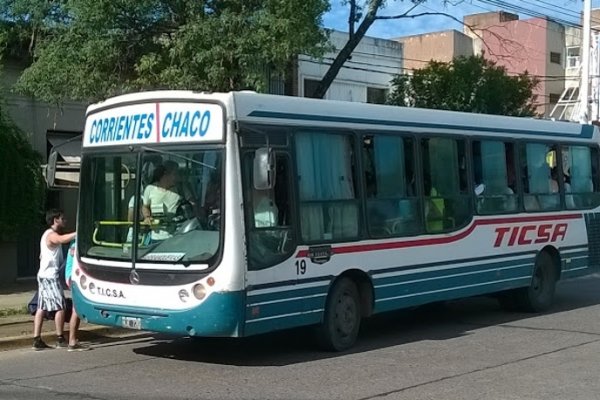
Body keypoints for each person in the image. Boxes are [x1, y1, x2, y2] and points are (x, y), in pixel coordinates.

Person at [32, 209, 76, 350]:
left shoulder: (46, 234)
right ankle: (59, 338)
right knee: (60, 307)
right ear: (56, 220)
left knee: (42, 307)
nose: (65, 220)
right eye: (62, 218)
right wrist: (78, 233)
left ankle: (36, 339)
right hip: (50, 276)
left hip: (43, 275)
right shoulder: (51, 235)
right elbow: (61, 240)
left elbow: (41, 255)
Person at [141, 161, 182, 241]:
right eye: (175, 174)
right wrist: (147, 217)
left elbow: (193, 206)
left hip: (175, 237)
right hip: (155, 238)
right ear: (166, 174)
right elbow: (145, 206)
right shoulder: (150, 189)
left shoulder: (180, 189)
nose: (177, 177)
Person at [63, 240, 90, 351]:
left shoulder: (78, 240)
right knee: (76, 309)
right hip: (73, 277)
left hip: (74, 277)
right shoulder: (76, 242)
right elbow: (75, 254)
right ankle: (72, 341)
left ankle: (73, 340)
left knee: (77, 309)